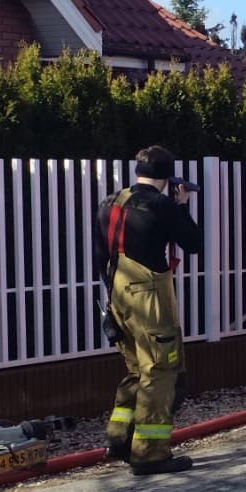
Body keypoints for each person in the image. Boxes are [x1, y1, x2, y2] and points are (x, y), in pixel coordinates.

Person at [94, 145, 202, 475]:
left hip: (117, 293)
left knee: (135, 369)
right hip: (150, 298)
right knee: (160, 370)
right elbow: (193, 243)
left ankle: (119, 440)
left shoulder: (110, 202)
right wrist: (182, 206)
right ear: (167, 176)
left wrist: (110, 299)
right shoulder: (161, 205)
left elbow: (101, 256)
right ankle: (149, 453)